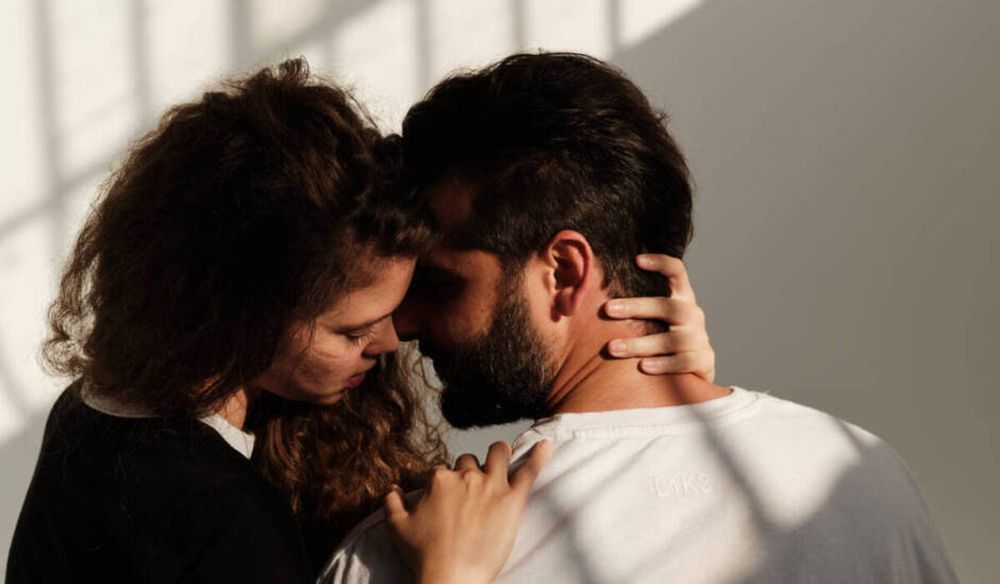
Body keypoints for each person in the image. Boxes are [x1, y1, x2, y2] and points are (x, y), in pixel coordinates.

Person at [6, 59, 716, 583]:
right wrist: (451, 576)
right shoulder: (219, 519)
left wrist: (664, 391)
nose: (392, 336)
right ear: (243, 316)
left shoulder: (99, 409)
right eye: (351, 331)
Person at [323, 53, 959, 583]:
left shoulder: (401, 553)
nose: (403, 326)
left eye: (440, 284)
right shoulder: (863, 478)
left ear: (565, 272)